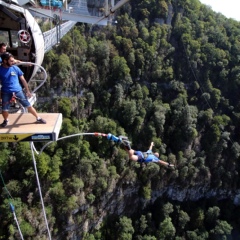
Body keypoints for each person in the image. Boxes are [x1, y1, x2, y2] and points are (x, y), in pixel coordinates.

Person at [0, 52, 46, 127]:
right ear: (5, 61)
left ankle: (38, 118)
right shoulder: (0, 70)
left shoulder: (15, 68)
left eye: (13, 61)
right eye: (11, 61)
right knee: (4, 109)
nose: (13, 62)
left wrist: (27, 91)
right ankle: (6, 120)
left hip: (18, 91)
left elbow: (23, 80)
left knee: (28, 105)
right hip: (6, 92)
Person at [107, 134, 175, 168]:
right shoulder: (155, 159)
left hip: (140, 152)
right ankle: (126, 142)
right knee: (130, 156)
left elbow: (150, 147)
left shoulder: (150, 152)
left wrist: (151, 144)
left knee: (128, 150)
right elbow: (162, 162)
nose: (157, 155)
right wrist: (169, 164)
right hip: (141, 157)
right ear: (156, 156)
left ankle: (122, 140)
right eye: (157, 155)